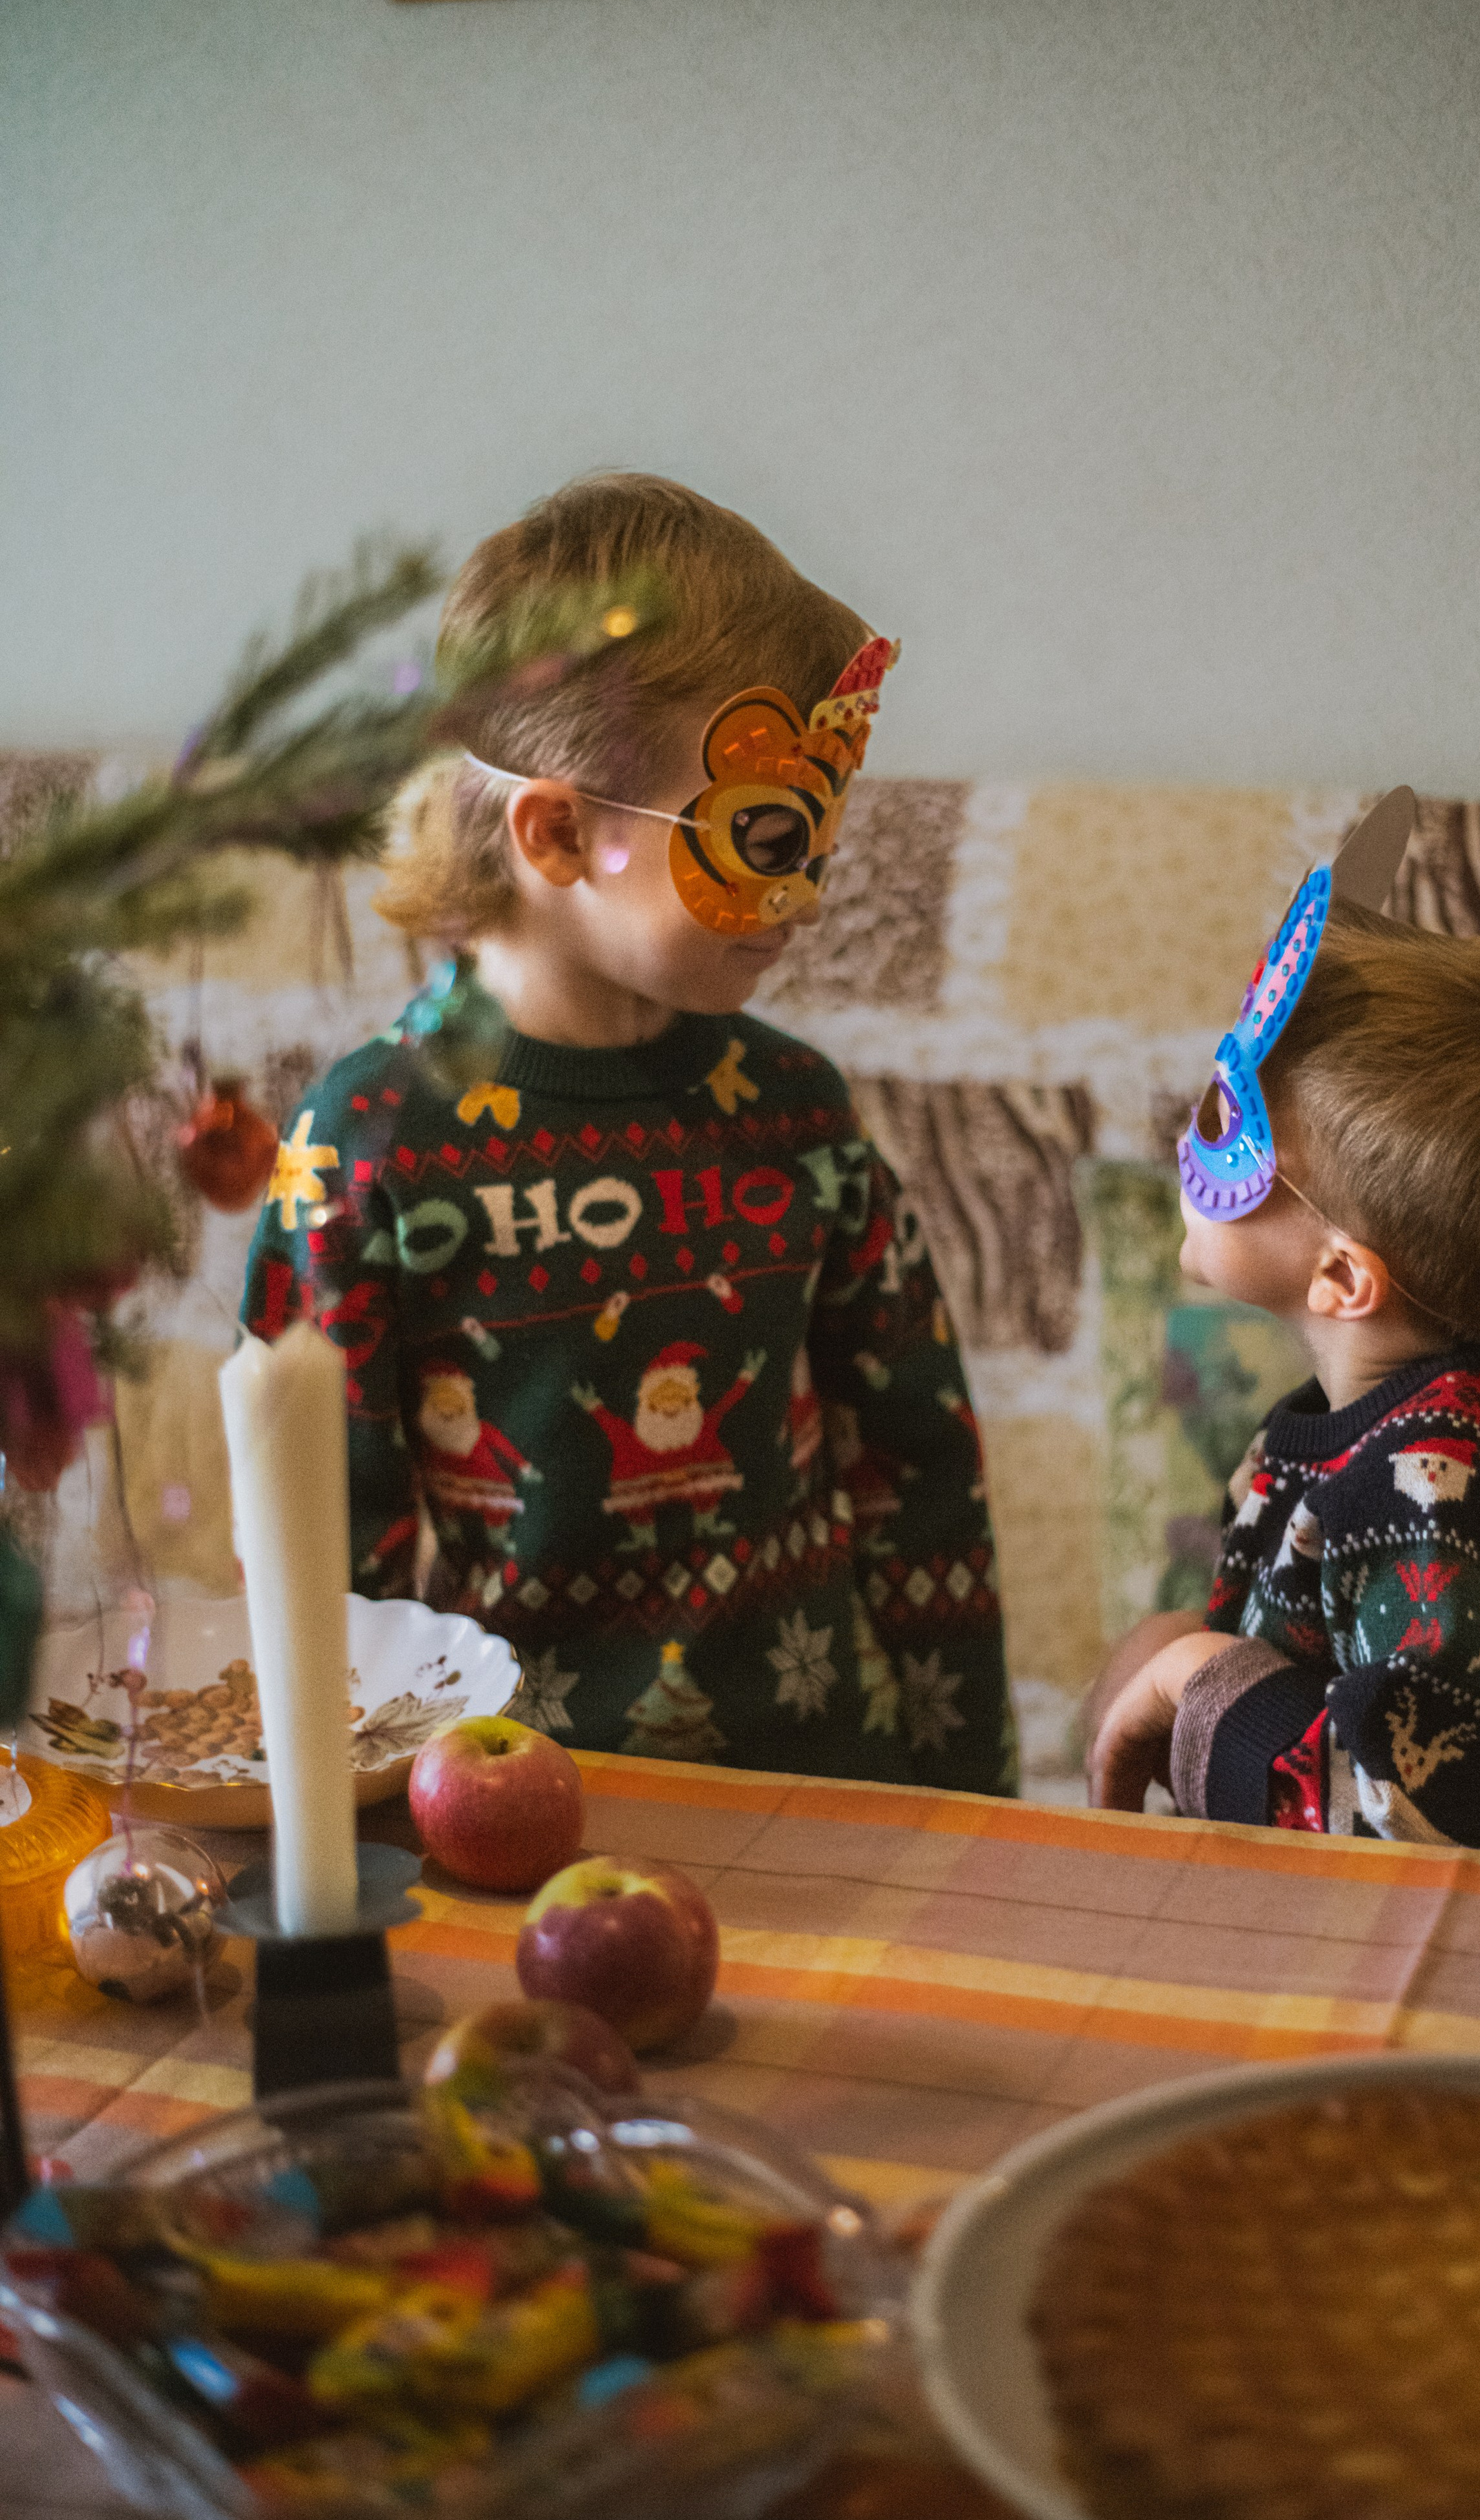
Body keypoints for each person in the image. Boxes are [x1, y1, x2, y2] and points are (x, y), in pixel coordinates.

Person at [241, 473, 1014, 1793]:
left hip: (828, 1783)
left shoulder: (800, 1121)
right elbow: (318, 1539)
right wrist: (350, 1825)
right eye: (766, 839)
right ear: (555, 830)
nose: (806, 899)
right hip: (501, 1803)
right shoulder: (364, 1146)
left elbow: (921, 1476)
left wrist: (974, 1804)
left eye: (821, 839)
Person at [1084, 895, 1480, 1854]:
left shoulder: (1446, 1503)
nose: (1189, 1141)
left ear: (1344, 1277)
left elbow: (1419, 1835)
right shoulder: (1365, 1421)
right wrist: (1186, 1657)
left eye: (1228, 1121)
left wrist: (1201, 1678)